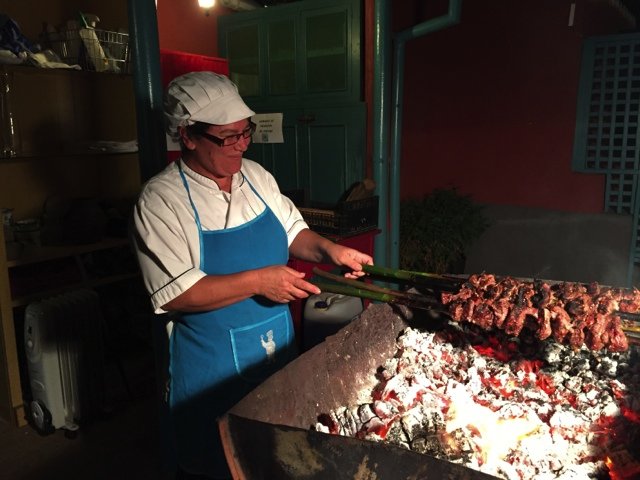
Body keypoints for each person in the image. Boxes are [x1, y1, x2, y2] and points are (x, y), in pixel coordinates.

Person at [131, 71, 373, 479]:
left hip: (276, 353)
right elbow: (174, 294)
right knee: (220, 464)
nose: (241, 144)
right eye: (228, 136)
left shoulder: (257, 177)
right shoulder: (161, 201)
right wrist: (260, 281)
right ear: (188, 136)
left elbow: (294, 232)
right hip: (210, 369)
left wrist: (333, 251)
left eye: (246, 132)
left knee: (279, 457)